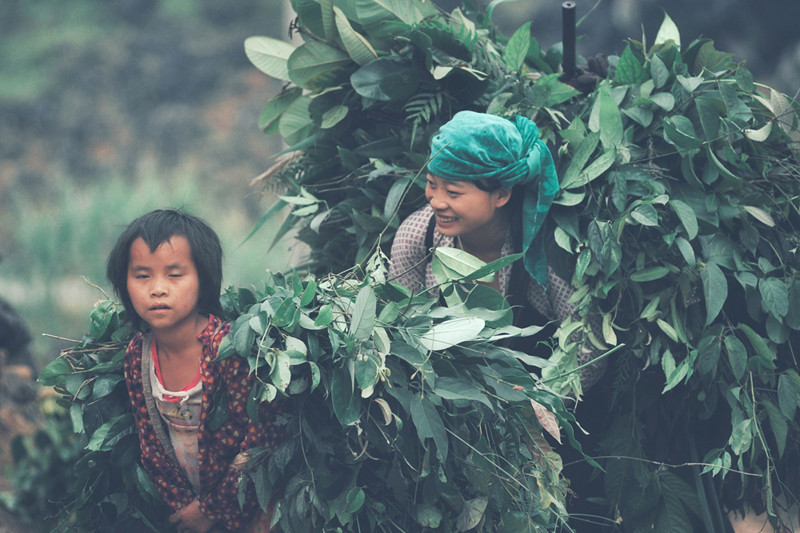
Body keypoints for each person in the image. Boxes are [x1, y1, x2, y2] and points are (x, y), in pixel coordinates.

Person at [388, 111, 605, 390]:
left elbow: (586, 352)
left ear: (501, 194)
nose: (436, 201)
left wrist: (536, 407)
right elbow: (401, 325)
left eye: (453, 192)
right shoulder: (418, 235)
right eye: (432, 184)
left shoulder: (548, 252)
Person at [106, 209, 285, 533]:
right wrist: (189, 510)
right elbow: (152, 447)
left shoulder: (229, 350)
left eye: (175, 275)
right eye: (142, 275)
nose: (157, 289)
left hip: (249, 503)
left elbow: (260, 441)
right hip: (187, 503)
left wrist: (211, 509)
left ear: (204, 280)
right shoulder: (139, 356)